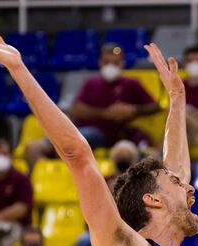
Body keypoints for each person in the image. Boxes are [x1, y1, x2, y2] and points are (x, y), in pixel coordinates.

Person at [0, 29, 198, 246]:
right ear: (154, 200)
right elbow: (79, 156)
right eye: (178, 185)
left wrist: (177, 98)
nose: (190, 186)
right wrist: (18, 68)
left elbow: (178, 168)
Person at [24, 43, 159, 169]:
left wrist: (133, 110)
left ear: (122, 63)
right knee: (33, 149)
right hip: (88, 131)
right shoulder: (92, 83)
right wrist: (106, 113)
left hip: (116, 135)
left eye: (115, 62)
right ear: (100, 62)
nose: (111, 66)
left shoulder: (131, 84)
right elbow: (75, 109)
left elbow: (155, 106)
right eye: (107, 62)